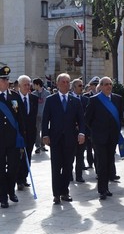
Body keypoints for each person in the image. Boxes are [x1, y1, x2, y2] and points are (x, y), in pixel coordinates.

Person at [42, 73, 85, 204]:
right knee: (56, 167)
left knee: (67, 166)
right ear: (57, 83)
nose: (66, 84)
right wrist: (45, 135)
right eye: (63, 82)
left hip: (70, 139)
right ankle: (56, 194)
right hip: (55, 139)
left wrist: (82, 133)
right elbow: (45, 119)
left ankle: (65, 191)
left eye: (68, 82)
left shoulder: (75, 101)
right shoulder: (51, 100)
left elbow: (81, 120)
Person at [85, 76, 123, 200]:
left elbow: (120, 118)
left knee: (109, 162)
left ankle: (106, 187)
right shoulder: (94, 100)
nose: (109, 86)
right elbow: (88, 119)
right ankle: (102, 189)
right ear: (100, 86)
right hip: (99, 138)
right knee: (101, 163)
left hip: (112, 137)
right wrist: (95, 132)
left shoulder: (117, 99)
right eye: (106, 84)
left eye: (110, 84)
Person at [0, 66, 25, 208]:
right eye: (3, 79)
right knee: (1, 169)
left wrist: (22, 136)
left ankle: (11, 191)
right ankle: (3, 196)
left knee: (14, 167)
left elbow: (20, 118)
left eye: (7, 79)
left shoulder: (14, 97)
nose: (6, 81)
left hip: (13, 139)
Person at [16, 75, 38, 191]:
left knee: (27, 156)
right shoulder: (14, 99)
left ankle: (24, 177)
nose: (27, 86)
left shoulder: (33, 98)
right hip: (19, 134)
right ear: (19, 86)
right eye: (25, 84)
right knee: (18, 156)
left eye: (29, 84)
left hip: (31, 133)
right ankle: (18, 179)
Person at [70, 78, 89, 183]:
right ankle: (69, 175)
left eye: (82, 86)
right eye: (80, 86)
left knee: (80, 155)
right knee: (70, 155)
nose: (82, 88)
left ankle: (79, 176)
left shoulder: (85, 100)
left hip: (82, 131)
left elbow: (87, 115)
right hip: (71, 132)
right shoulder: (69, 99)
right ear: (74, 87)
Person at [83, 76, 100, 169]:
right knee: (89, 147)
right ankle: (90, 162)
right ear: (91, 86)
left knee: (97, 149)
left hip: (98, 127)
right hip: (88, 126)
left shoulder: (102, 96)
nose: (96, 86)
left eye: (97, 84)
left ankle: (97, 166)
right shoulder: (86, 96)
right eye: (94, 85)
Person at [32, 78, 51, 154]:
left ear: (37, 85)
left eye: (34, 84)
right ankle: (37, 146)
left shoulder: (47, 93)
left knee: (44, 130)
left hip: (44, 114)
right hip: (36, 115)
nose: (33, 86)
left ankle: (43, 145)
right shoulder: (33, 94)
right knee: (37, 131)